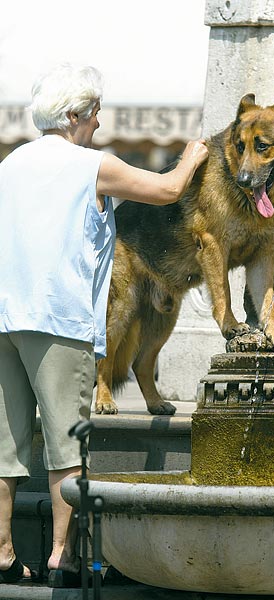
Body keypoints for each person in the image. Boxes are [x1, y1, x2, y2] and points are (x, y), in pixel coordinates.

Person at [0, 63, 208, 588]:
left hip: (4, 316)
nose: (99, 123)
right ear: (72, 117)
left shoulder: (11, 164)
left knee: (6, 449)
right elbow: (166, 190)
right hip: (58, 318)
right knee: (68, 448)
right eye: (94, 113)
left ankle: (2, 555)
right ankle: (62, 556)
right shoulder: (91, 166)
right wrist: (194, 155)